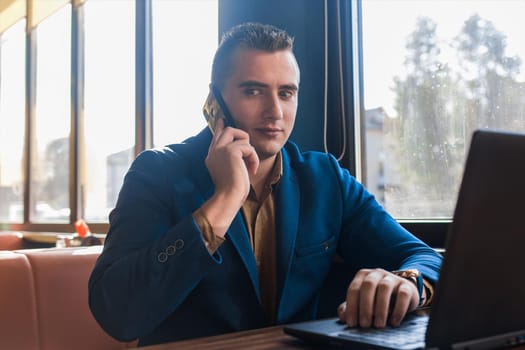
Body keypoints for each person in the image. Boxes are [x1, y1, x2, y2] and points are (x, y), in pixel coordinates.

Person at [88, 22, 442, 347]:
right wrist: (223, 202)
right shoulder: (157, 173)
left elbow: (425, 257)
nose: (275, 112)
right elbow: (117, 312)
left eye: (286, 93)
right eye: (254, 91)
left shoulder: (325, 178)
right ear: (215, 102)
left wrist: (408, 280)